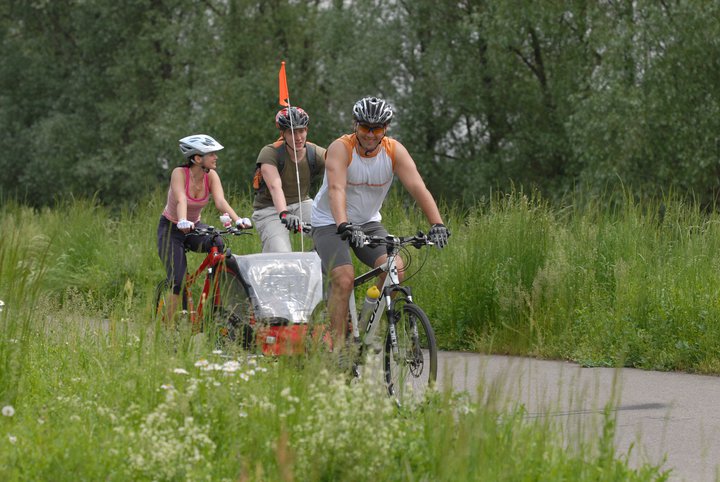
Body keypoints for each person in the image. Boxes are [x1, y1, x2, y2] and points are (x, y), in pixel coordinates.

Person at [311, 96, 450, 350]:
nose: (370, 135)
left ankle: (368, 327)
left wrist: (437, 223)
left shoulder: (394, 150)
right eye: (365, 127)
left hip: (367, 222)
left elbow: (418, 187)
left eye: (377, 129)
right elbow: (336, 189)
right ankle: (339, 348)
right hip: (330, 221)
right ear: (355, 125)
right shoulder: (341, 148)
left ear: (385, 129)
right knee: (344, 277)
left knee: (394, 268)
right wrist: (343, 224)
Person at [157, 134, 251, 323]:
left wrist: (238, 219)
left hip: (193, 227)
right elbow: (181, 199)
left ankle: (214, 298)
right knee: (178, 280)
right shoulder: (179, 173)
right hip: (171, 228)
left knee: (218, 242)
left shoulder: (211, 176)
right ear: (197, 158)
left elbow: (220, 201)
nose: (216, 157)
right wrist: (182, 219)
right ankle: (167, 328)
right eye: (211, 154)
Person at [251, 107, 326, 252]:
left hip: (302, 202)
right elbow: (275, 187)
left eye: (301, 131)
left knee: (329, 233)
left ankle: (314, 263)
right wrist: (284, 214)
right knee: (282, 254)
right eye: (292, 132)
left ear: (306, 130)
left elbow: (338, 168)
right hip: (269, 209)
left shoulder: (315, 152)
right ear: (283, 134)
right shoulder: (270, 152)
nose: (298, 137)